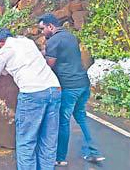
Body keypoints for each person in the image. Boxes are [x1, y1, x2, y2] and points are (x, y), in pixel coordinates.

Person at [0, 28, 61, 170]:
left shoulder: (4, 51)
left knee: (26, 140)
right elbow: (19, 65)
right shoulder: (28, 42)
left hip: (32, 93)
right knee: (48, 139)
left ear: (0, 42)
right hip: (54, 89)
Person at [38, 13, 105, 166]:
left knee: (63, 121)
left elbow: (50, 64)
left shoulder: (53, 40)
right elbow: (64, 54)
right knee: (81, 117)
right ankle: (93, 152)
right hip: (83, 83)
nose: (42, 32)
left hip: (69, 87)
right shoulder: (70, 36)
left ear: (50, 26)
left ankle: (60, 158)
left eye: (43, 29)